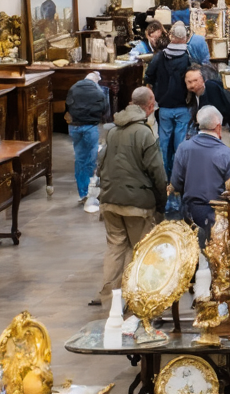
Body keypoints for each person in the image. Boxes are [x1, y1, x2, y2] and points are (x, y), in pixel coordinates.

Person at [93, 87, 166, 306]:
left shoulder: (113, 131)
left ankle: (109, 296)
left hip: (110, 201)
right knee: (141, 250)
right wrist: (161, 203)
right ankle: (139, 297)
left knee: (115, 247)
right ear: (150, 106)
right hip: (137, 204)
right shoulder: (146, 133)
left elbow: (101, 163)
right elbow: (157, 172)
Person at [170, 106, 230, 244]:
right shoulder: (226, 153)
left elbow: (176, 184)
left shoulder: (184, 148)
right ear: (218, 127)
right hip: (215, 215)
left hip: (189, 213)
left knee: (191, 256)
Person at [144, 22, 194, 174]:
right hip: (183, 106)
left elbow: (149, 76)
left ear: (171, 37)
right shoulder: (188, 57)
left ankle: (164, 176)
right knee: (180, 144)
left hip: (164, 106)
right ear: (184, 38)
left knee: (164, 143)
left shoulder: (160, 56)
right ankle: (178, 177)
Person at [65, 72, 107, 211]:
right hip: (90, 127)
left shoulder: (74, 88)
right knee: (91, 159)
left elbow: (67, 106)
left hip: (75, 127)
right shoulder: (97, 89)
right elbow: (105, 108)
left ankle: (82, 192)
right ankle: (91, 192)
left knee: (79, 159)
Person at [185, 68, 230, 155]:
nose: (193, 85)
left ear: (203, 79)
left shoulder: (211, 89)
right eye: (189, 82)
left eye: (195, 80)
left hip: (223, 129)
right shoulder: (193, 95)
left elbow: (219, 113)